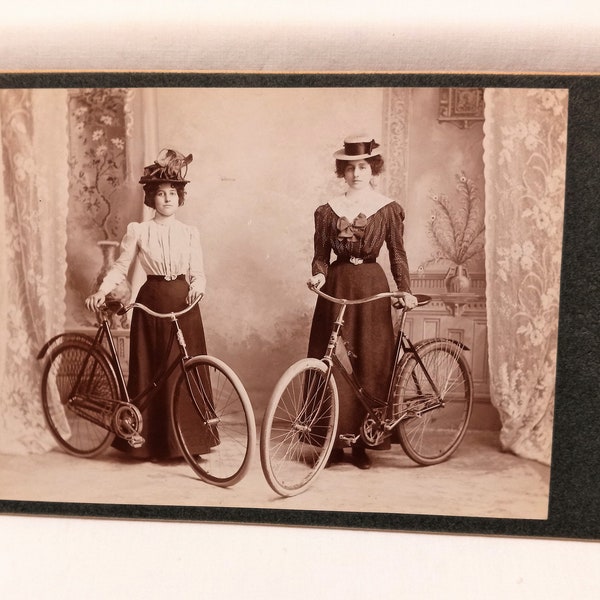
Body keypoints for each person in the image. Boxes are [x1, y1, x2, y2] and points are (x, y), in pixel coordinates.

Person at [85, 148, 213, 461]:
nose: (167, 199)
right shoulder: (139, 231)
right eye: (160, 194)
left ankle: (189, 441)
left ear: (179, 197)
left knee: (185, 367)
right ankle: (151, 441)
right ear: (151, 199)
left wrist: (198, 287)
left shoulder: (189, 233)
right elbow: (120, 266)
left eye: (172, 193)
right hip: (152, 302)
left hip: (184, 304)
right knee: (152, 370)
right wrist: (103, 290)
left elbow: (198, 273)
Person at [307, 134, 418, 470]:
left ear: (373, 169)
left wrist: (405, 289)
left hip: (372, 288)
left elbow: (397, 253)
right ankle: (332, 442)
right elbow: (320, 256)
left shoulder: (386, 209)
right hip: (338, 286)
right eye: (350, 167)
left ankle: (362, 445)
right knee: (332, 358)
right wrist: (319, 276)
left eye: (363, 167)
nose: (357, 173)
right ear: (342, 171)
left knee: (369, 360)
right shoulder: (327, 212)